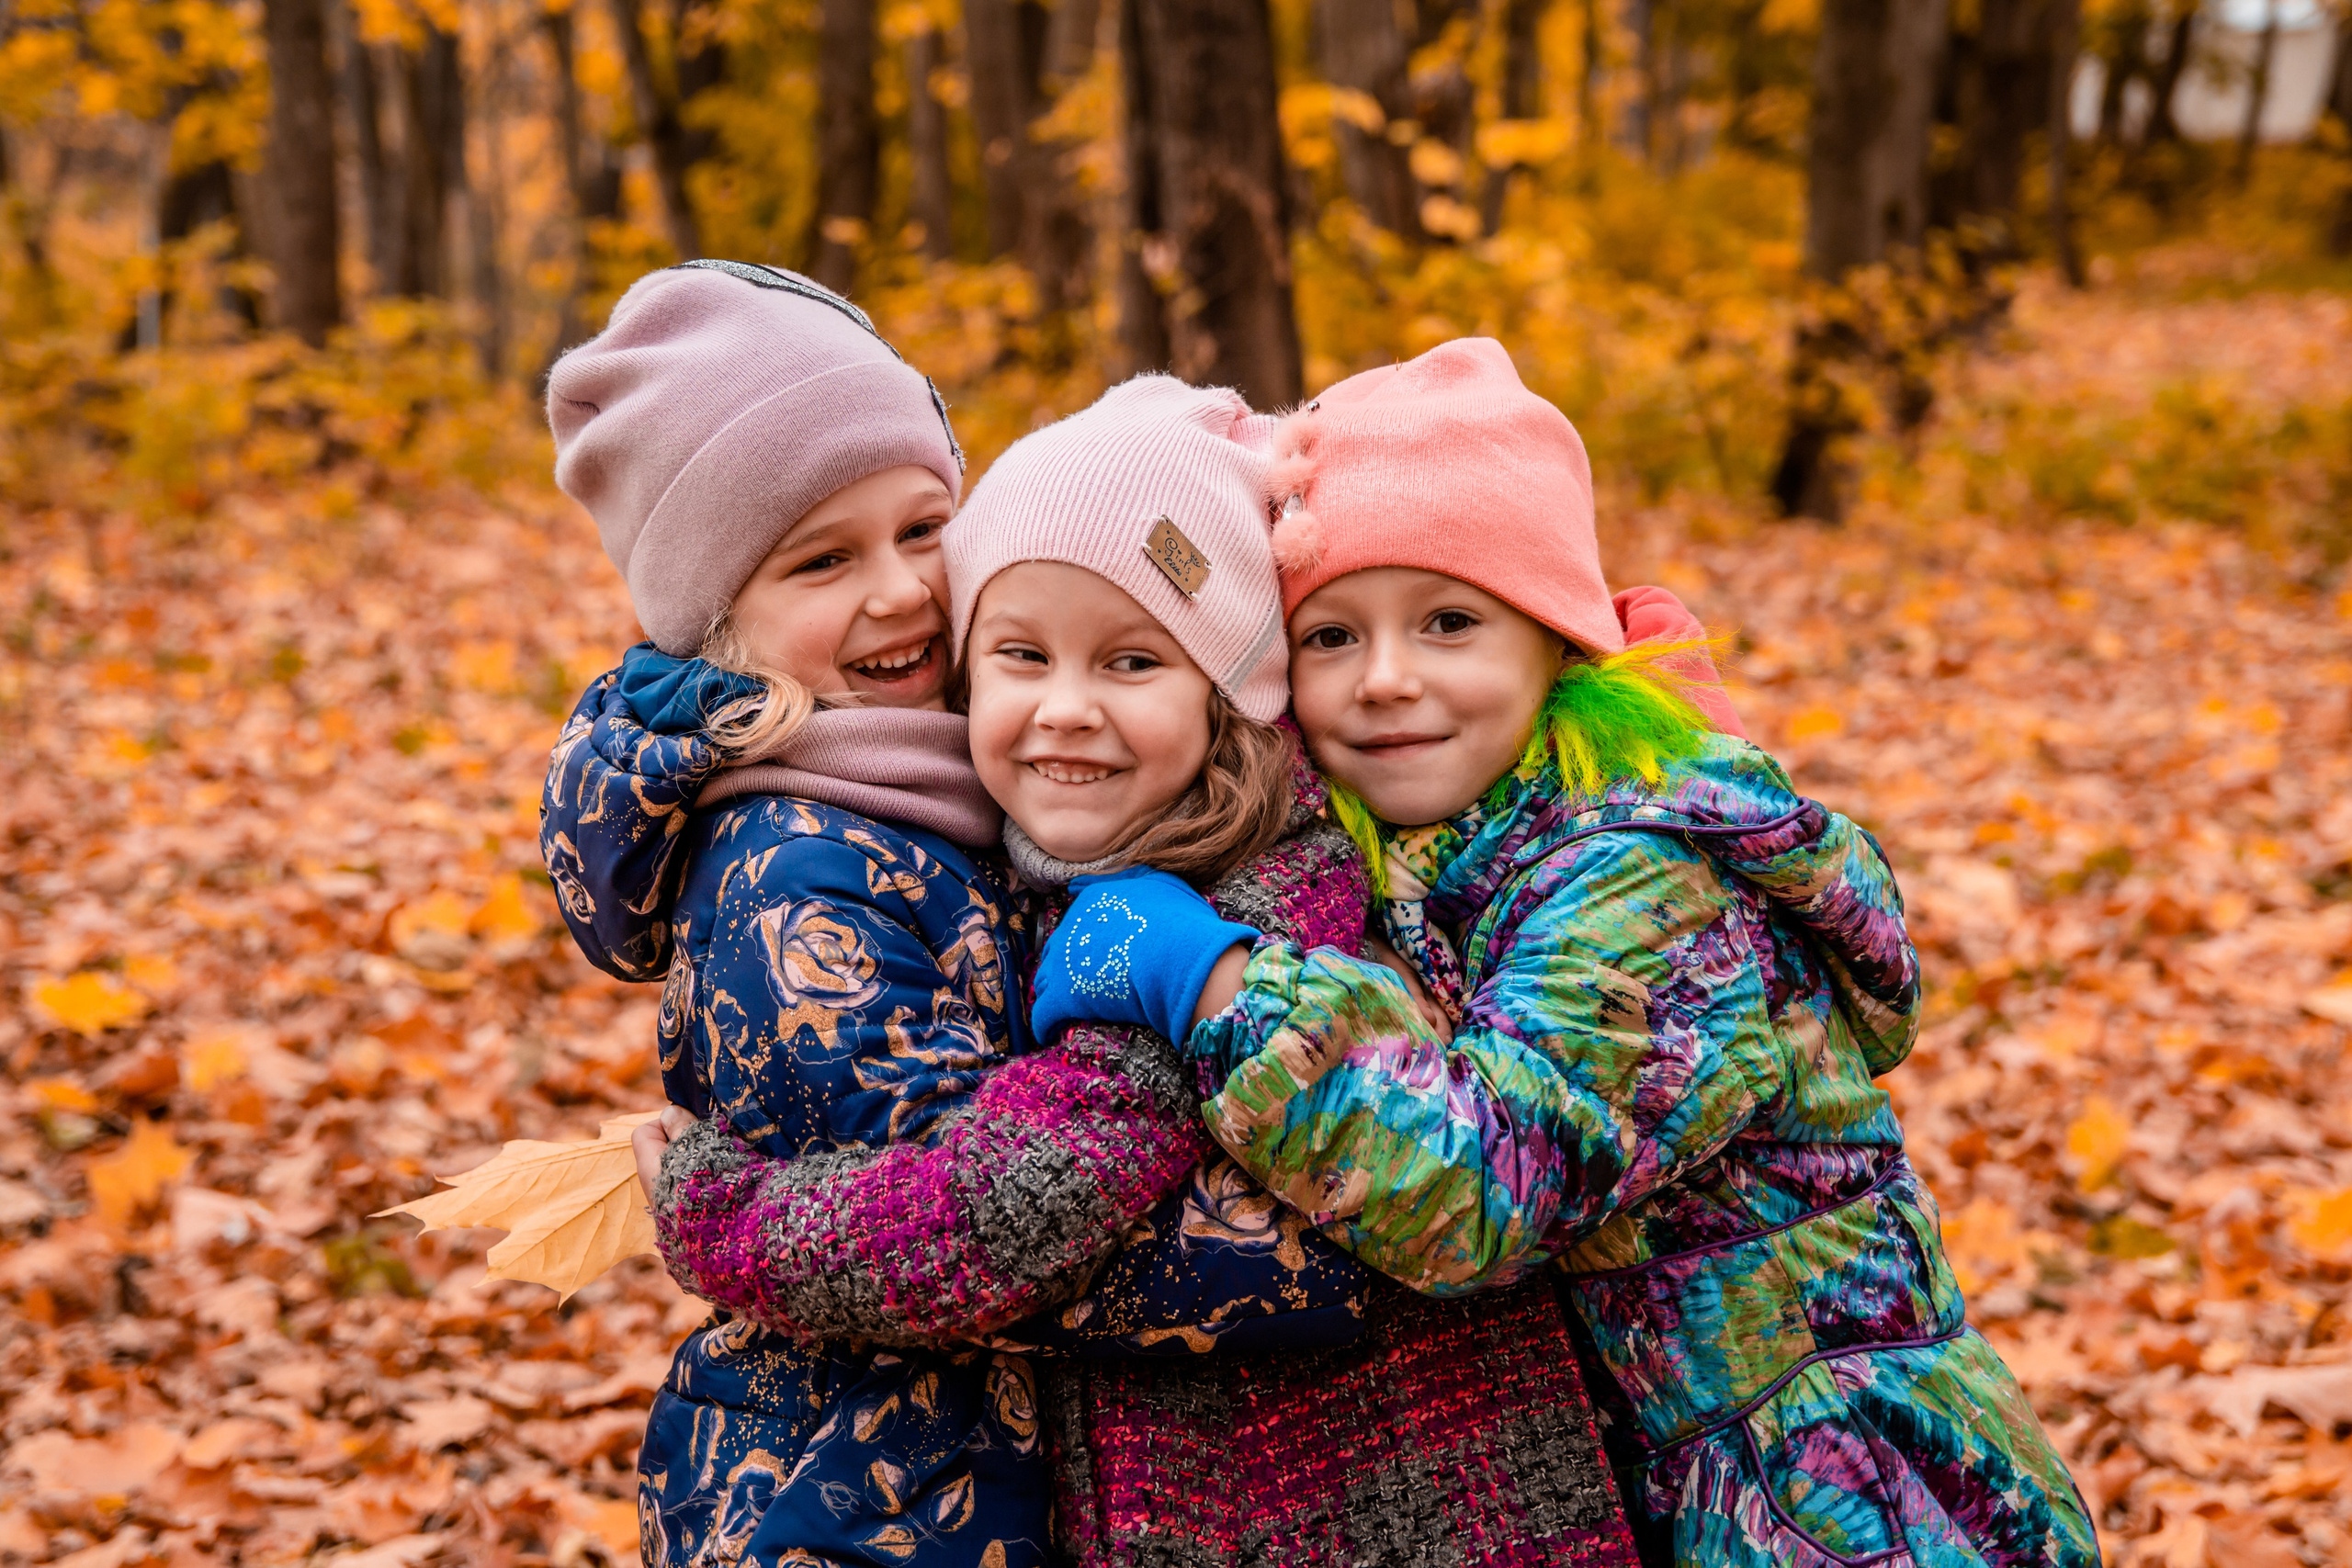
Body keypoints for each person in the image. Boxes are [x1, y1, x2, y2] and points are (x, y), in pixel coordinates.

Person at [1032, 339, 2102, 1568]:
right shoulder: (1453, 848)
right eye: (1330, 637)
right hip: (1680, 1474)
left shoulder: (1640, 878)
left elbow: (1489, 1181)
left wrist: (1212, 981)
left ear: (1555, 641)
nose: (1386, 680)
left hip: (1844, 1495)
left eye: (1447, 622)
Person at [631, 376, 1646, 1564]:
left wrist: (727, 1221)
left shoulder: (1199, 916)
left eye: (1130, 663)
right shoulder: (1119, 862)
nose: (1065, 709)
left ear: (1230, 698)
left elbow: (1000, 1216)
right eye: (1020, 656)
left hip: (1382, 1514)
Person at [540, 259, 1051, 1568]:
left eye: (924, 528)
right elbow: (976, 1236)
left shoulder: (962, 777)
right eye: (824, 559)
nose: (901, 592)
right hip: (868, 1502)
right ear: (720, 623)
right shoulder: (795, 871)